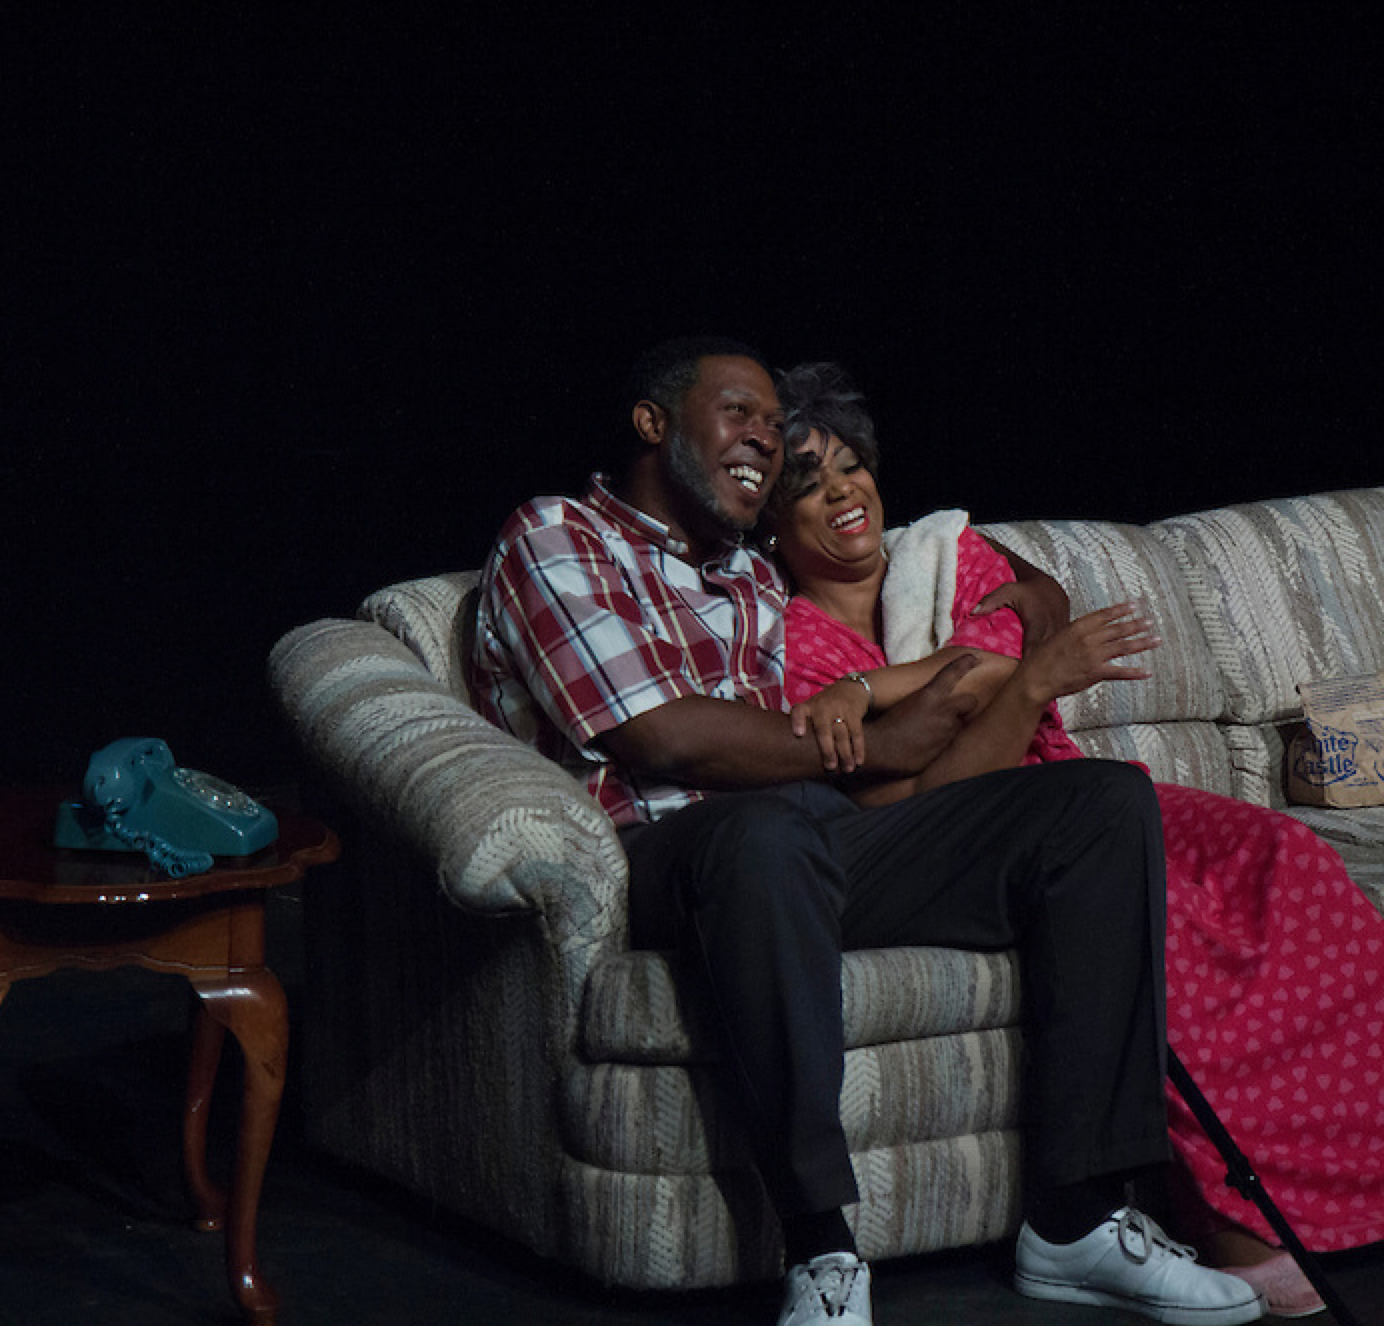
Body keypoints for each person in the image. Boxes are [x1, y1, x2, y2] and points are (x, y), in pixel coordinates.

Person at [469, 337, 1264, 1326]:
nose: (765, 437)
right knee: (763, 834)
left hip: (815, 838)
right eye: (739, 412)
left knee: (1095, 806)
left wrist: (1021, 603)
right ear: (652, 421)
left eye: (773, 422)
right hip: (668, 852)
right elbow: (660, 734)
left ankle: (1079, 1219)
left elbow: (944, 565)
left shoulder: (752, 574)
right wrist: (887, 744)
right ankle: (822, 1251)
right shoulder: (557, 535)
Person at [765, 361, 1384, 1320]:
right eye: (808, 484)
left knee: (1286, 854)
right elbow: (927, 798)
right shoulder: (793, 644)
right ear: (772, 522)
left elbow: (995, 663)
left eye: (850, 466)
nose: (843, 493)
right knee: (1164, 917)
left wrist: (936, 687)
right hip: (993, 841)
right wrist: (1016, 679)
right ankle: (1247, 1220)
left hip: (1082, 790)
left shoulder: (950, 558)